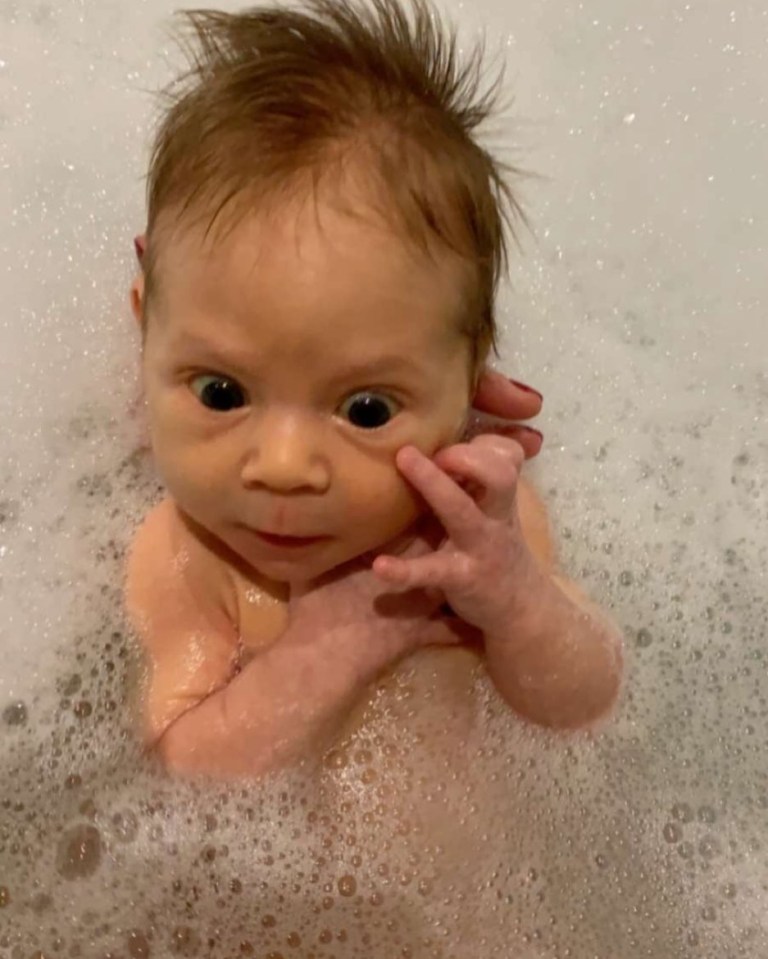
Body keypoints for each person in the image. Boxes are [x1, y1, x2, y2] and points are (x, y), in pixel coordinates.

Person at [124, 0, 623, 779]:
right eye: (222, 392)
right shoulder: (186, 556)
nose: (285, 465)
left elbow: (581, 703)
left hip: (472, 890)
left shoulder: (468, 532)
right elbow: (181, 762)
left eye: (366, 409)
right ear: (143, 331)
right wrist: (330, 643)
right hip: (258, 883)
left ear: (471, 381)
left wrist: (518, 600)